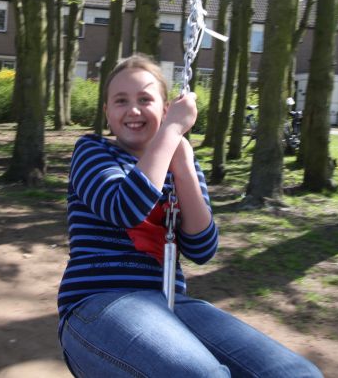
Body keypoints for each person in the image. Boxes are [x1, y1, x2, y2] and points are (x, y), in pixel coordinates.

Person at [57, 54, 322, 377]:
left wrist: (183, 165)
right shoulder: (93, 152)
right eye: (121, 101)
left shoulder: (180, 161)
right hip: (97, 305)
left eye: (145, 99)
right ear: (107, 112)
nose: (133, 110)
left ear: (165, 108)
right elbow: (124, 207)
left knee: (296, 373)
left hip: (168, 303)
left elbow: (202, 248)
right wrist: (170, 132)